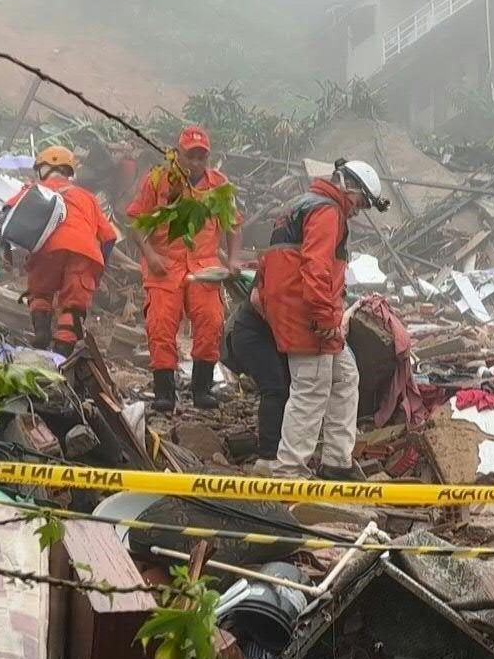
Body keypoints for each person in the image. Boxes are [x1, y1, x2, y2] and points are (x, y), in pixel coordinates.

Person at [252, 158, 388, 479]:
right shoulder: (328, 211)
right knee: (311, 390)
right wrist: (326, 317)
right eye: (361, 201)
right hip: (310, 315)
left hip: (294, 310)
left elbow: (270, 265)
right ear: (349, 186)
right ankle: (289, 471)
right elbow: (317, 268)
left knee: (345, 377)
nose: (358, 209)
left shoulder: (299, 205)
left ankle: (336, 462)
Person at [124, 126, 240, 412]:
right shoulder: (158, 181)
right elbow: (136, 221)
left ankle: (202, 389)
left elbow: (233, 224)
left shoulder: (220, 185)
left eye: (203, 157)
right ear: (178, 155)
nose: (197, 163)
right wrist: (150, 255)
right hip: (165, 264)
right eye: (192, 156)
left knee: (211, 321)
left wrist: (234, 259)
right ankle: (164, 391)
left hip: (204, 265)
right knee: (160, 324)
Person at [12, 145, 118, 353]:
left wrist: (8, 246)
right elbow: (109, 237)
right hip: (85, 253)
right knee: (72, 307)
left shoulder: (35, 190)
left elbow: (10, 212)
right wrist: (98, 266)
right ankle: (62, 356)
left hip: (48, 248)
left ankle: (41, 334)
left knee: (41, 293)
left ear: (46, 167)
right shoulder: (88, 198)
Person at [221, 299, 289, 462]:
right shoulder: (275, 274)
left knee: (286, 388)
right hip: (252, 334)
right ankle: (269, 455)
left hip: (270, 334)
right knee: (274, 389)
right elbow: (257, 299)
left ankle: (283, 445)